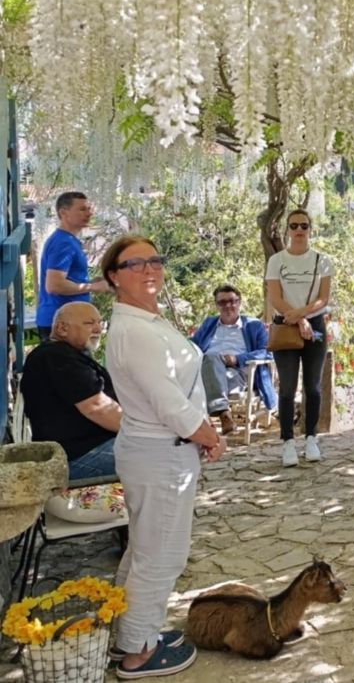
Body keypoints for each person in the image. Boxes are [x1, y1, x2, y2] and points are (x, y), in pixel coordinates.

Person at [101, 234, 226, 679]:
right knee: (161, 555)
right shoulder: (135, 331)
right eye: (135, 264)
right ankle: (138, 652)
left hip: (159, 449)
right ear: (114, 277)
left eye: (154, 259)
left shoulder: (145, 320)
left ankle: (132, 633)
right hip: (162, 452)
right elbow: (166, 400)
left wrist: (200, 431)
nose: (149, 269)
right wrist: (207, 435)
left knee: (144, 549)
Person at [21, 302, 122, 482]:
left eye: (100, 323)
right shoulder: (56, 356)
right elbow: (97, 407)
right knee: (163, 453)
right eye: (89, 323)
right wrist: (142, 430)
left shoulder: (66, 354)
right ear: (62, 328)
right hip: (77, 457)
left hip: (90, 448)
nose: (98, 329)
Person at [265, 208, 333, 468]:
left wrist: (305, 316)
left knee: (313, 387)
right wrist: (298, 319)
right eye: (294, 226)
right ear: (287, 229)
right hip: (286, 324)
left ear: (310, 228)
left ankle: (311, 438)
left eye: (304, 225)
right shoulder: (277, 261)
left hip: (314, 323)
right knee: (287, 387)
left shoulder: (321, 260)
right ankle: (287, 442)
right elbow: (275, 296)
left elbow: (323, 297)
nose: (299, 230)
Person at [190, 284, 277, 436]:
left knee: (206, 366)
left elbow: (266, 353)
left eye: (232, 301)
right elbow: (193, 345)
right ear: (217, 305)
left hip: (236, 372)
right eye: (222, 302)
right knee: (210, 359)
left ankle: (213, 418)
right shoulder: (209, 323)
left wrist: (237, 359)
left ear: (239, 302)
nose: (228, 305)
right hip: (206, 370)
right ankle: (224, 413)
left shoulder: (253, 325)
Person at [35, 191, 108, 339]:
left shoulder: (68, 240)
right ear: (63, 213)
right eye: (82, 209)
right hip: (63, 323)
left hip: (67, 321)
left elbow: (64, 280)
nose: (89, 213)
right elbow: (54, 285)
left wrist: (90, 282)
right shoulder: (63, 243)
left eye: (88, 209)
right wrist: (94, 287)